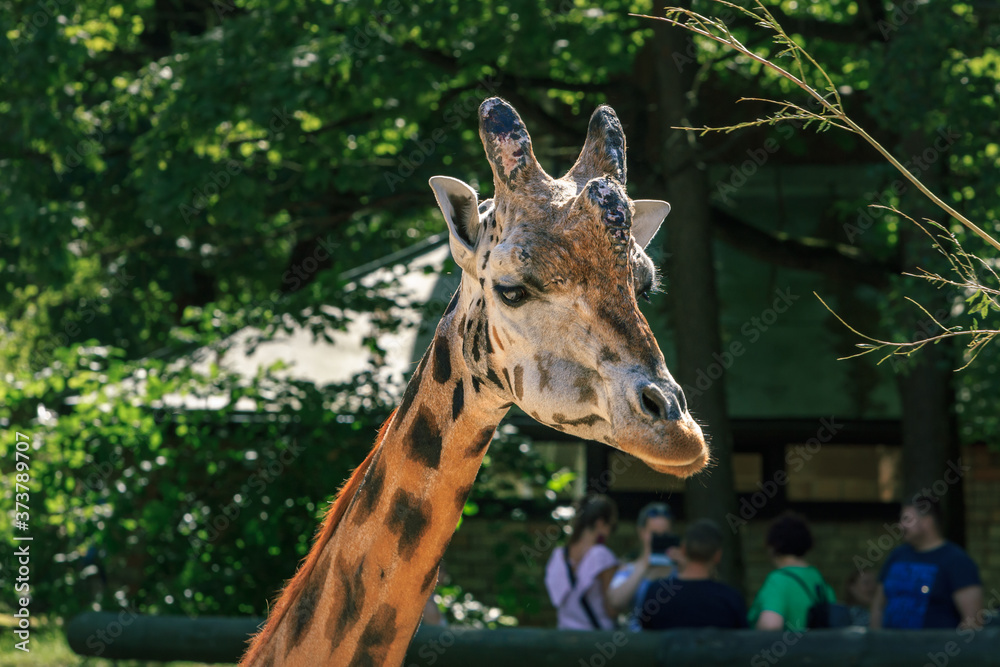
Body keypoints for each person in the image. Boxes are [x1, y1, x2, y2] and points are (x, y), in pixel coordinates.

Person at [871, 494, 984, 630]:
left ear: (927, 521)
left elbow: (972, 621)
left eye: (906, 519)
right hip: (890, 648)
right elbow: (878, 605)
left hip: (934, 648)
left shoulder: (957, 561)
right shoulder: (897, 555)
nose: (900, 525)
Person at [638, 519, 748, 630]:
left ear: (683, 549)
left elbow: (645, 630)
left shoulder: (657, 592)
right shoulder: (730, 599)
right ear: (718, 556)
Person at [748, 512, 836, 631]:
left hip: (786, 649)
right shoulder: (819, 578)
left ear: (773, 546)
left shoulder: (779, 580)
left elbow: (770, 625)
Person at [544, 495, 620, 630]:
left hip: (565, 636)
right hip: (596, 639)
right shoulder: (602, 556)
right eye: (611, 526)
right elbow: (612, 609)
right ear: (600, 523)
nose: (609, 533)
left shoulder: (558, 555)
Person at [607, 502, 678, 630]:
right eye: (654, 534)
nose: (660, 538)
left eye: (665, 533)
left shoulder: (679, 570)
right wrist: (644, 566)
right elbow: (615, 603)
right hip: (638, 644)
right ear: (642, 532)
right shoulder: (628, 569)